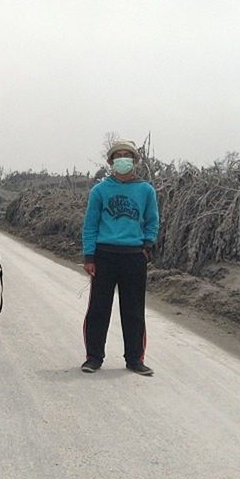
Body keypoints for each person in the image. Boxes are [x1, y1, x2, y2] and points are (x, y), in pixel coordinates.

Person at [81, 139, 160, 376]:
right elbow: (90, 225)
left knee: (134, 310)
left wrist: (146, 245)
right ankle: (94, 357)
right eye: (118, 155)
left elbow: (153, 221)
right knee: (98, 308)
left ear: (135, 161)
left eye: (127, 155)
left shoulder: (146, 190)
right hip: (105, 254)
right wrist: (89, 256)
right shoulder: (100, 191)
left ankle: (135, 359)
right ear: (111, 161)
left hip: (133, 256)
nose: (123, 159)